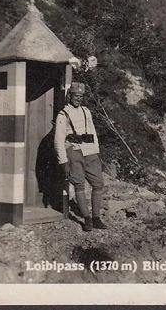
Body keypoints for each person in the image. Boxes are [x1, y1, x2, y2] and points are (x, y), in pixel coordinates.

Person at [54, 82, 106, 231]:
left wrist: (96, 150)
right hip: (74, 151)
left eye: (81, 96)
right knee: (79, 185)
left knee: (98, 184)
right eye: (75, 96)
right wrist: (63, 161)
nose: (78, 98)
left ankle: (96, 217)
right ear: (69, 96)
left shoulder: (86, 111)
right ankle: (87, 218)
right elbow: (58, 140)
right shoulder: (63, 114)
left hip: (90, 151)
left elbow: (93, 131)